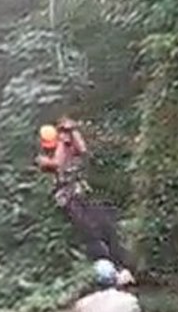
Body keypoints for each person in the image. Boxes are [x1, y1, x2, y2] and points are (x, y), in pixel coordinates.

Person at [35, 118, 135, 285]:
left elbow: (83, 149)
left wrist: (73, 131)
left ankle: (123, 266)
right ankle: (108, 270)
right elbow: (57, 164)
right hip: (68, 198)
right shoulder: (43, 158)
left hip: (84, 193)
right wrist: (63, 142)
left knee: (106, 227)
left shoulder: (68, 147)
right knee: (90, 232)